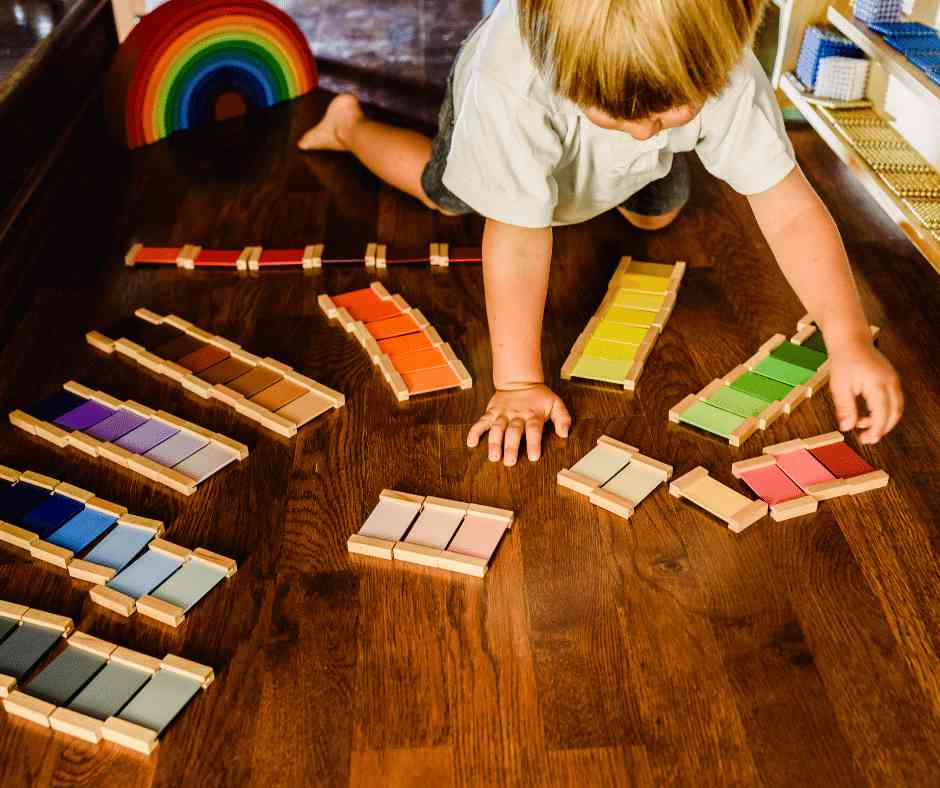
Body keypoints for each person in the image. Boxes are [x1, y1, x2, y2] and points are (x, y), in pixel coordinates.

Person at [299, 0, 903, 466]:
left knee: (656, 213)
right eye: (619, 116)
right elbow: (516, 238)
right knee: (446, 196)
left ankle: (630, 169)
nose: (643, 133)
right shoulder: (507, 83)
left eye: (669, 114)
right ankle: (348, 127)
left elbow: (789, 209)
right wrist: (518, 382)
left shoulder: (726, 68)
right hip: (510, 124)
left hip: (611, 150)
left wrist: (847, 336)